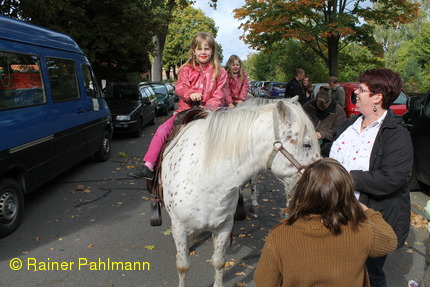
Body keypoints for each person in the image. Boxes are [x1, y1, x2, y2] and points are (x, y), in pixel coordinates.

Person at [327, 68, 413, 287]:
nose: (356, 92)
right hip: (335, 213)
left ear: (378, 97)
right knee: (337, 271)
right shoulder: (350, 124)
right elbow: (331, 151)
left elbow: (392, 178)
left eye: (362, 89)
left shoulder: (395, 133)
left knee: (368, 276)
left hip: (368, 218)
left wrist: (346, 177)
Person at [254, 158, 397, 287]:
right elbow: (390, 240)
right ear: (347, 195)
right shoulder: (361, 230)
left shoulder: (279, 236)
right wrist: (367, 210)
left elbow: (264, 282)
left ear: (303, 191)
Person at [129, 32, 228, 180]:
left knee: (229, 135)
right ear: (193, 50)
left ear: (213, 51)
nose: (203, 52)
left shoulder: (220, 72)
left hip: (211, 113)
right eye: (199, 49)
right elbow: (180, 87)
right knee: (162, 130)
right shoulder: (186, 69)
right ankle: (148, 166)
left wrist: (208, 107)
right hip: (186, 111)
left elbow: (219, 94)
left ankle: (230, 174)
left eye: (207, 49)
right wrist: (190, 93)